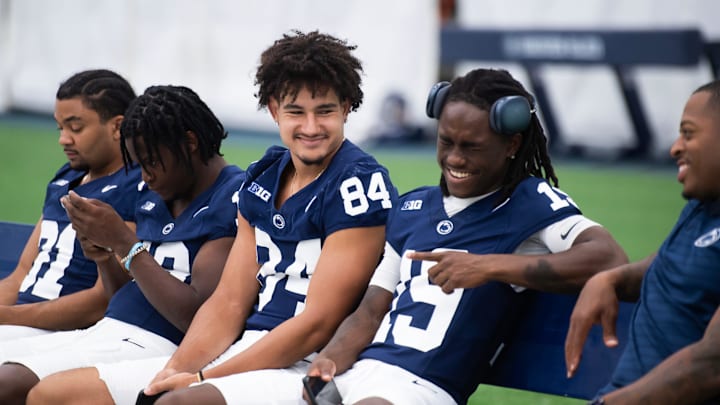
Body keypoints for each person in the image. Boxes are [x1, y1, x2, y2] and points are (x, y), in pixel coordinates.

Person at [26, 30, 398, 405]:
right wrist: (173, 371)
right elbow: (229, 302)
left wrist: (204, 377)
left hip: (305, 363)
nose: (311, 127)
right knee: (52, 395)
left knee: (177, 403)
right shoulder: (264, 175)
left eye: (325, 111)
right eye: (296, 112)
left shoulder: (358, 183)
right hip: (248, 349)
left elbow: (316, 323)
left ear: (347, 107)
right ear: (273, 109)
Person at [300, 68, 629, 405]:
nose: (455, 158)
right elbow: (370, 312)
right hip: (361, 375)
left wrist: (488, 267)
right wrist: (330, 359)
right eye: (446, 141)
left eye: (472, 147)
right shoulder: (414, 207)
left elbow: (608, 257)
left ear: (511, 144)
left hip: (422, 388)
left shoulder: (528, 203)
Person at [0, 85, 244, 404]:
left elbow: (194, 316)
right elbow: (121, 296)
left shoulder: (233, 196)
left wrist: (125, 243)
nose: (146, 175)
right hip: (112, 330)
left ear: (190, 143)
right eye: (139, 164)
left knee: (23, 387)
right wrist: (104, 256)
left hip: (164, 345)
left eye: (152, 162)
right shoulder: (154, 192)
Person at [564, 81, 720, 405]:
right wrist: (613, 278)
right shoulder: (701, 208)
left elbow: (711, 365)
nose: (675, 148)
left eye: (688, 134)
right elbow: (676, 262)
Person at [0, 69, 140, 340]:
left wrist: (8, 317)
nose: (63, 139)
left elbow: (102, 300)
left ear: (117, 126)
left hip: (64, 333)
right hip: (20, 323)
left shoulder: (134, 187)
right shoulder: (66, 177)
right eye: (60, 127)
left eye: (76, 128)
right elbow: (21, 275)